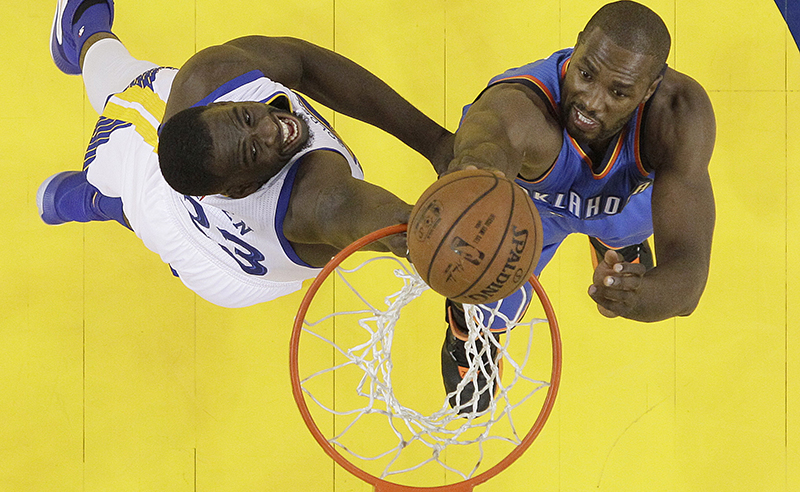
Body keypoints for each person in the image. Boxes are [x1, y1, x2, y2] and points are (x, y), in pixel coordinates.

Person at [39, 0, 453, 308]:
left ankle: (91, 192)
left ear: (217, 103)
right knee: (124, 125)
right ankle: (83, 46)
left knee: (142, 108)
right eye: (255, 149)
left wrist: (436, 143)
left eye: (246, 116)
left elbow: (306, 65)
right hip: (215, 264)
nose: (272, 127)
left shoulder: (209, 76)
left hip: (240, 271)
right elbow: (404, 230)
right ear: (240, 189)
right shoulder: (317, 204)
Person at [441, 0, 716, 412]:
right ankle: (473, 334)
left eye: (619, 92)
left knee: (638, 223)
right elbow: (489, 138)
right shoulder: (521, 108)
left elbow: (688, 282)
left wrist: (639, 297)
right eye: (585, 74)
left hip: (620, 208)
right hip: (532, 216)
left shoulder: (678, 116)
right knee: (484, 288)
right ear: (577, 47)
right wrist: (473, 177)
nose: (590, 101)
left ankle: (618, 254)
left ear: (650, 89)